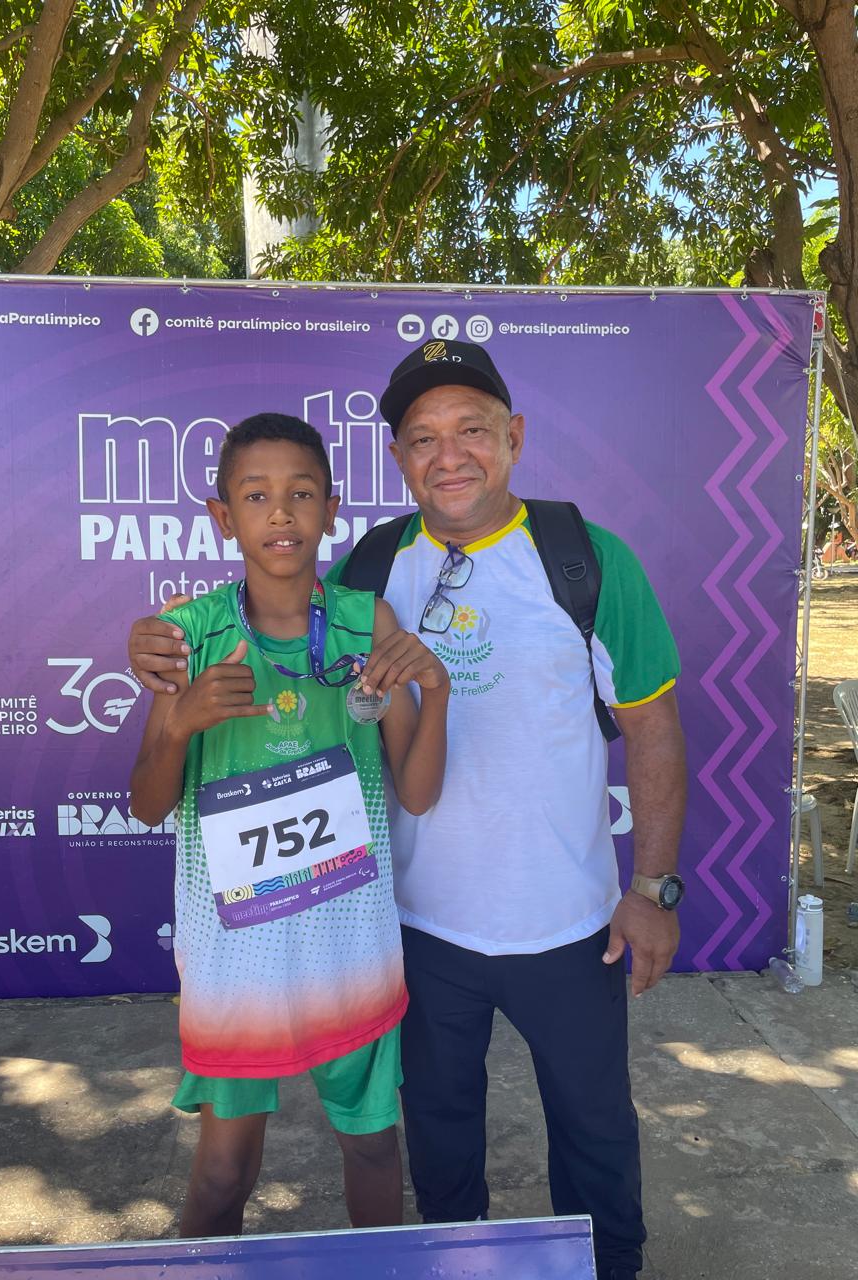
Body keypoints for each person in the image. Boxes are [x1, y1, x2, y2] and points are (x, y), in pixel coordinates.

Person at [128, 344, 686, 1280]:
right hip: (413, 931)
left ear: (514, 437)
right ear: (398, 459)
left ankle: (611, 1270)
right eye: (424, 438)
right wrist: (157, 644)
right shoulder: (373, 569)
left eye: (472, 429)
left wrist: (654, 887)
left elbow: (655, 727)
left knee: (594, 1135)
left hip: (568, 927)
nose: (450, 454)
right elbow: (264, 621)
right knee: (437, 1145)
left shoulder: (586, 561)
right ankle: (448, 1266)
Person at [129, 412, 449, 1238]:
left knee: (374, 1151)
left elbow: (416, 795)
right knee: (223, 1172)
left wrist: (436, 692)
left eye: (302, 494)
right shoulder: (190, 634)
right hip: (238, 958)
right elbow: (148, 803)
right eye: (256, 495)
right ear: (222, 516)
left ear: (331, 510)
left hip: (351, 945)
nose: (281, 513)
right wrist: (180, 722)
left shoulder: (366, 622)